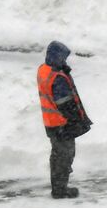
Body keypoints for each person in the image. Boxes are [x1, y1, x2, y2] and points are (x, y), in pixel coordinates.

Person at [36, 40, 92, 199]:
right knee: (64, 156)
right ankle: (60, 190)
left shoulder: (44, 69)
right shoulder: (57, 78)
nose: (65, 61)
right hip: (61, 123)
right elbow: (66, 104)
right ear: (56, 57)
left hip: (51, 122)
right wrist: (76, 121)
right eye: (62, 58)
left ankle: (58, 187)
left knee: (58, 155)